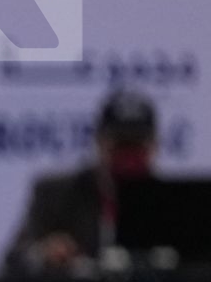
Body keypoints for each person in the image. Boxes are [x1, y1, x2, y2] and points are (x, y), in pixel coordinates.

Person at [8, 88, 159, 272]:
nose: (128, 153)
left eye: (136, 144)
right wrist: (42, 253)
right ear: (99, 141)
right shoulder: (56, 194)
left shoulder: (170, 203)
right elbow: (13, 259)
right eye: (120, 143)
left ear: (154, 146)